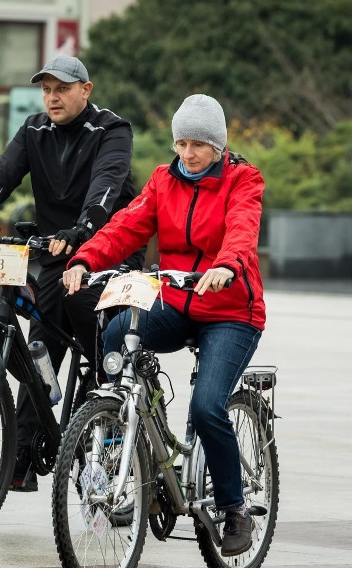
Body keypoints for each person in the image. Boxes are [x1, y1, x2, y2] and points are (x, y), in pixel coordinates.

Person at [63, 94, 266, 557]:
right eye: (181, 142)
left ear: (218, 145)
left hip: (231, 309)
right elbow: (126, 226)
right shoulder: (163, 179)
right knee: (117, 338)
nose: (188, 153)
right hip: (177, 300)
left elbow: (242, 229)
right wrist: (84, 259)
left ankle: (233, 508)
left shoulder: (243, 180)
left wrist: (228, 265)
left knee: (207, 406)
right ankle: (125, 445)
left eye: (198, 144)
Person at [0, 55, 143, 492]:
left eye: (62, 89)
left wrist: (83, 230)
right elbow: (0, 176)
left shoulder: (112, 130)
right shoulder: (34, 130)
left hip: (107, 256)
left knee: (100, 349)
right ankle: (24, 457)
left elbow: (105, 188)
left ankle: (109, 431)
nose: (53, 97)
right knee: (38, 349)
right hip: (57, 256)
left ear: (85, 91)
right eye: (47, 90)